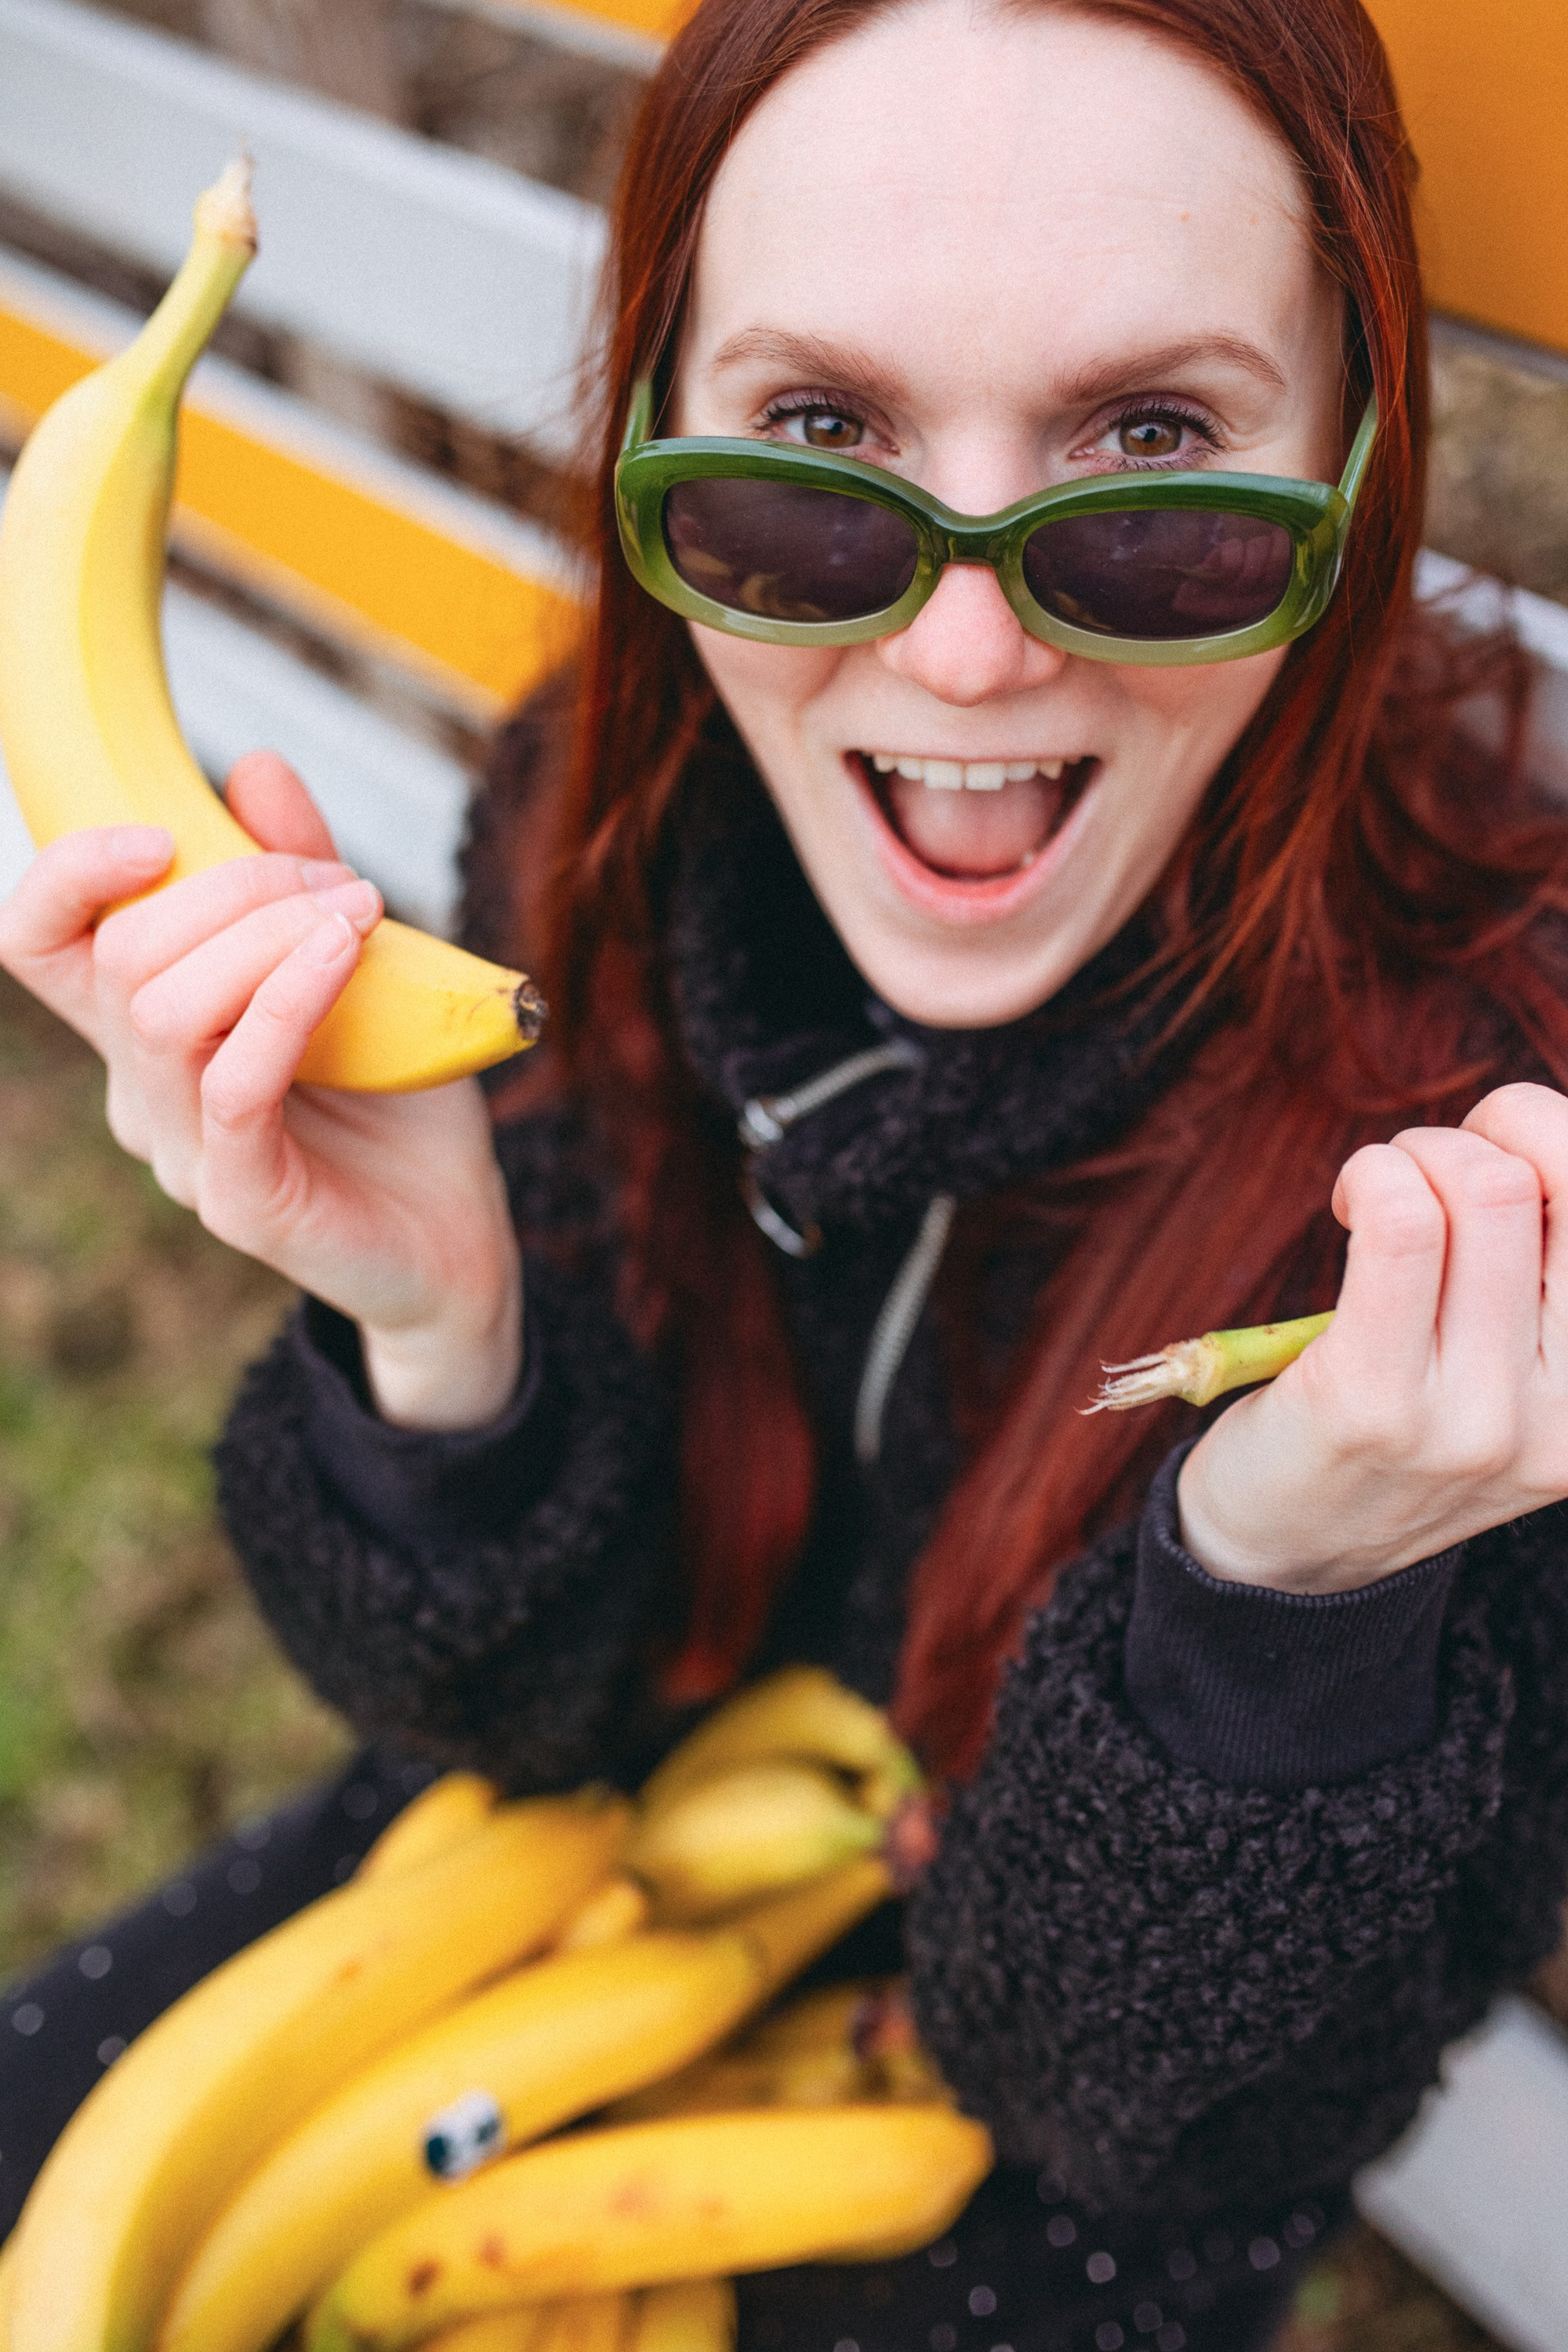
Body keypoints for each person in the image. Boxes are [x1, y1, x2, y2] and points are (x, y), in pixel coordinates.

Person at [3, 0, 1567, 2343]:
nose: (958, 650)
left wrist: (1276, 1608)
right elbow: (491, 1722)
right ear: (656, 430)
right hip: (575, 1846)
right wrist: (447, 1344)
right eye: (814, 443)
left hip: (1061, 2142)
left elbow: (1146, 2131)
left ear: (1356, 470)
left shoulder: (1499, 1143)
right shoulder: (607, 830)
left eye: (1152, 449)